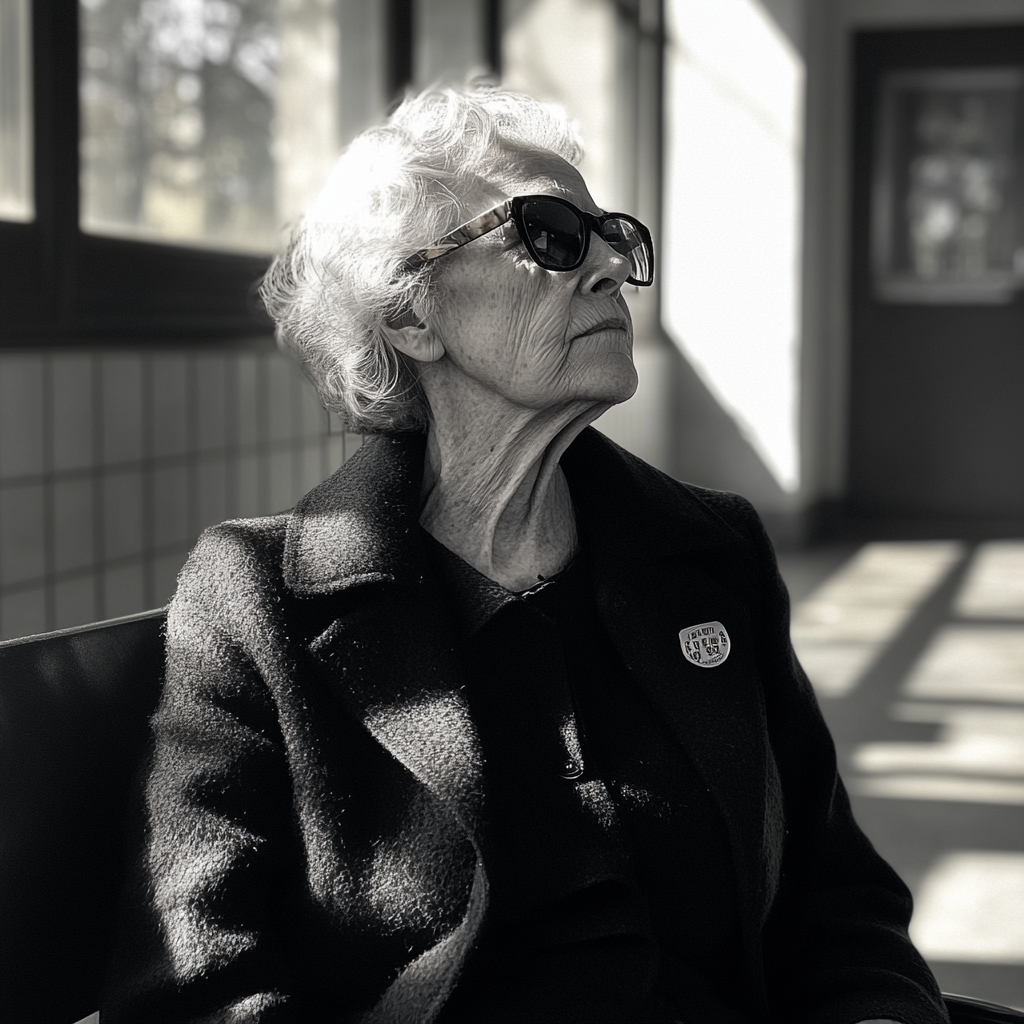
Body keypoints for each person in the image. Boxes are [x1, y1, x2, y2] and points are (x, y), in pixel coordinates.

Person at [102, 83, 949, 1024]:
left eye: (612, 237)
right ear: (410, 315)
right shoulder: (259, 599)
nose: (609, 272)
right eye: (549, 235)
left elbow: (839, 903)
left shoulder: (714, 553)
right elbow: (198, 975)